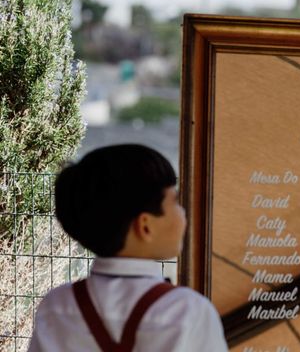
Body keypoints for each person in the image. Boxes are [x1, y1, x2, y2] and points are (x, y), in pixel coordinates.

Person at [28, 144, 229, 352]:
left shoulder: (57, 306)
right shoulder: (188, 312)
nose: (183, 213)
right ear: (145, 226)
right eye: (175, 202)